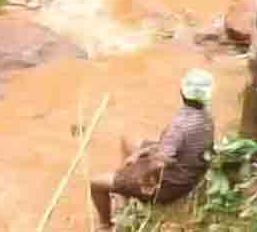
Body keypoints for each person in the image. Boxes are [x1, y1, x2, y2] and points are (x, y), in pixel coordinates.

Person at [90, 70, 215, 231]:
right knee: (128, 139)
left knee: (96, 183)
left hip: (169, 186)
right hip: (187, 172)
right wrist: (140, 153)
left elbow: (158, 164)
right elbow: (172, 147)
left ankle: (105, 225)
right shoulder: (206, 118)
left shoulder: (178, 126)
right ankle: (123, 189)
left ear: (182, 92)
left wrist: (145, 179)